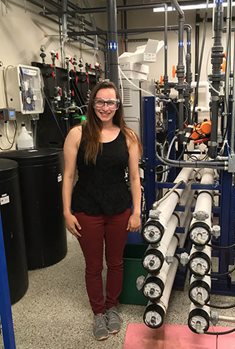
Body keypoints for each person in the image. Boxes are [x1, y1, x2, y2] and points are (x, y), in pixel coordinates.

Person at [62, 80, 142, 341]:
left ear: (117, 106)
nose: (105, 107)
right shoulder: (78, 134)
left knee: (116, 263)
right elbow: (69, 175)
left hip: (119, 210)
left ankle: (112, 307)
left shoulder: (128, 136)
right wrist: (66, 212)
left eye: (110, 102)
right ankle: (98, 312)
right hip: (87, 210)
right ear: (92, 103)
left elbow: (134, 179)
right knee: (94, 266)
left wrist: (136, 211)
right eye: (100, 102)